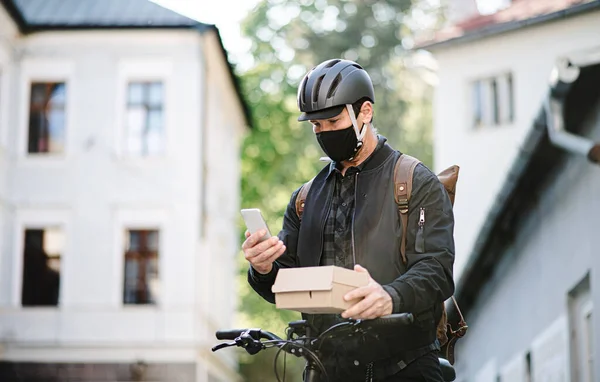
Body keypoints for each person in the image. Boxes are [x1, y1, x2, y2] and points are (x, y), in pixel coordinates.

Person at [242, 58, 455, 382]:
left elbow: (436, 270)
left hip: (406, 367)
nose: (324, 132)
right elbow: (284, 287)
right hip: (328, 370)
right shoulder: (305, 199)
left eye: (332, 120)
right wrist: (263, 269)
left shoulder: (413, 182)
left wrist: (390, 296)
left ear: (364, 112)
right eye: (316, 126)